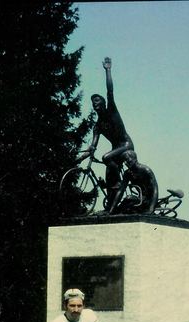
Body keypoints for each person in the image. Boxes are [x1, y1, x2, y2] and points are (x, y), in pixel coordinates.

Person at [80, 57, 134, 214]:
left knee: (106, 158)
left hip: (125, 145)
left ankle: (118, 186)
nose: (95, 104)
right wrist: (80, 158)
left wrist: (108, 70)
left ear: (103, 103)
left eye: (97, 101)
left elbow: (110, 91)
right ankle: (111, 205)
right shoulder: (97, 126)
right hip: (115, 151)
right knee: (109, 176)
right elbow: (92, 147)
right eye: (93, 103)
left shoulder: (111, 111)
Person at [115, 150, 158, 215]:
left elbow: (155, 190)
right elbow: (121, 190)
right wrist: (112, 210)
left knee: (128, 199)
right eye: (124, 161)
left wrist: (151, 209)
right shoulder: (127, 173)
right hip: (141, 199)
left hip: (149, 201)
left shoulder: (146, 170)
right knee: (125, 204)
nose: (125, 163)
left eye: (127, 159)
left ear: (134, 158)